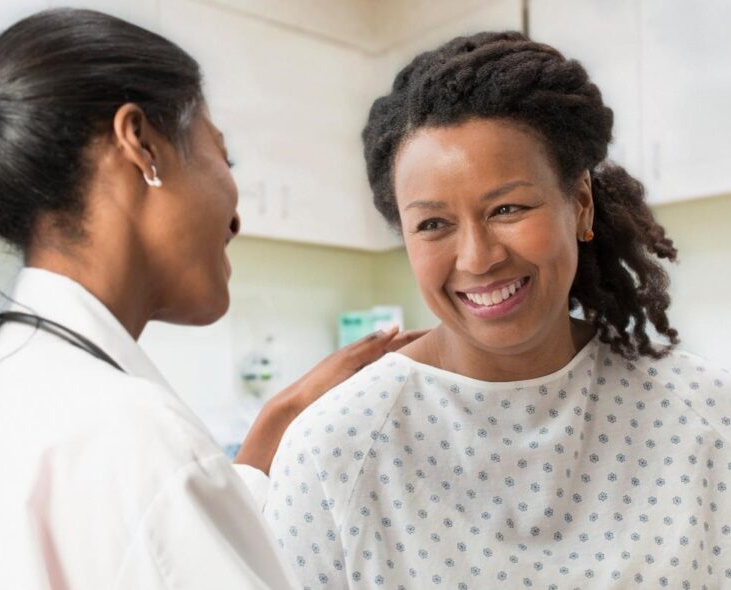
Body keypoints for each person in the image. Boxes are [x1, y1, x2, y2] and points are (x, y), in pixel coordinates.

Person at [264, 31, 731, 589]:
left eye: (507, 208)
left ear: (579, 203)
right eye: (433, 224)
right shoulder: (333, 450)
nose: (478, 258)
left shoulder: (704, 414)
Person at [0, 8, 425, 589]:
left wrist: (280, 420)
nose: (237, 217)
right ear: (140, 144)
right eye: (225, 155)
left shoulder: (28, 390)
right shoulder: (130, 435)